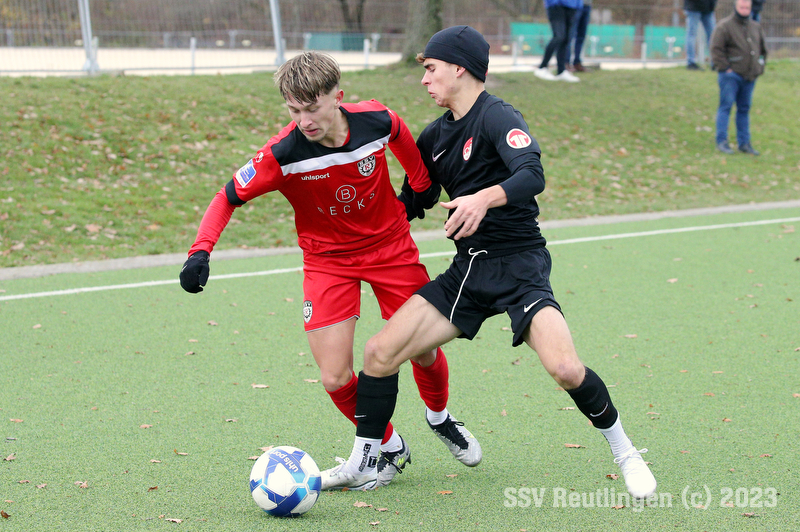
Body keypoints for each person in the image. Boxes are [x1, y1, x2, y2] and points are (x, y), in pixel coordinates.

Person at [319, 25, 658, 501]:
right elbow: (416, 198)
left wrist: (483, 198)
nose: (424, 79)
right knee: (378, 354)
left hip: (519, 265)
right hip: (469, 271)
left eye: (431, 68)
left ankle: (626, 453)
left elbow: (532, 174)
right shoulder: (433, 136)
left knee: (565, 368)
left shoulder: (498, 115)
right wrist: (356, 217)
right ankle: (364, 462)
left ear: (459, 68)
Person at [179, 51, 481, 489]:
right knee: (335, 376)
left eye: (312, 108)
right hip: (327, 263)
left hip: (391, 249)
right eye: (293, 110)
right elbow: (226, 197)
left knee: (423, 351)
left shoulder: (375, 120)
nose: (304, 121)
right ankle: (389, 444)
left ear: (337, 97)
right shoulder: (282, 154)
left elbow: (399, 133)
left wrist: (419, 185)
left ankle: (440, 417)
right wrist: (199, 253)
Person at [711, 0, 766, 155]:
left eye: (747, 7)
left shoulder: (755, 27)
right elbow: (716, 49)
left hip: (750, 76)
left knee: (744, 109)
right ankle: (722, 141)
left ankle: (744, 143)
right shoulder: (724, 26)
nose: (744, 10)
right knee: (726, 107)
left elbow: (762, 49)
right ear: (736, 7)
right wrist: (725, 68)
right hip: (731, 76)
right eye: (742, 7)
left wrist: (759, 67)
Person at [534, 0, 582, 82]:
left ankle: (561, 71)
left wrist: (578, 4)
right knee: (559, 37)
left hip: (572, 6)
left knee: (566, 39)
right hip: (557, 5)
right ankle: (542, 67)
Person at [684, 0, 717, 70]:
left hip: (708, 8)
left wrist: (712, 5)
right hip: (694, 7)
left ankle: (715, 62)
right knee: (692, 35)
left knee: (713, 36)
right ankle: (691, 62)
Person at [568, 0, 592, 72]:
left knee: (581, 36)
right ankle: (566, 63)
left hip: (587, 5)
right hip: (574, 5)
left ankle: (577, 63)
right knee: (569, 36)